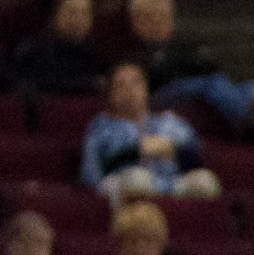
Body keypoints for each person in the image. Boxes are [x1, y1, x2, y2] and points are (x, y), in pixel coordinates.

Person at [81, 61, 219, 203]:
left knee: (205, 181)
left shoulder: (170, 122)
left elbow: (197, 158)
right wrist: (136, 151)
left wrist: (171, 149)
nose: (130, 90)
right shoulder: (101, 127)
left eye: (136, 83)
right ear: (110, 94)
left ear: (146, 88)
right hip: (125, 183)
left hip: (171, 182)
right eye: (120, 85)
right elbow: (91, 174)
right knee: (139, 179)